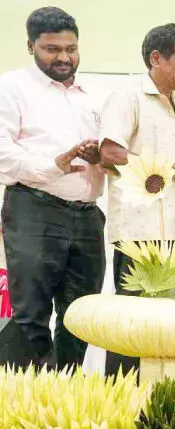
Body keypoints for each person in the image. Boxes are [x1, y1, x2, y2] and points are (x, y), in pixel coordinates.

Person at [93, 23, 175, 375]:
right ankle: (120, 401)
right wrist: (173, 168)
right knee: (132, 323)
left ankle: (157, 400)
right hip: (139, 233)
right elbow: (110, 153)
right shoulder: (128, 96)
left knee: (166, 324)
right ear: (156, 58)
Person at [0, 7, 104, 368]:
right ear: (30, 46)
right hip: (34, 208)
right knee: (32, 315)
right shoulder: (11, 86)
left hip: (88, 216)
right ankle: (29, 410)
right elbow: (2, 153)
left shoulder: (92, 93)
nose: (64, 57)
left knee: (81, 317)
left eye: (71, 48)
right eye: (52, 49)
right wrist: (53, 166)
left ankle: (70, 399)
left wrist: (100, 155)